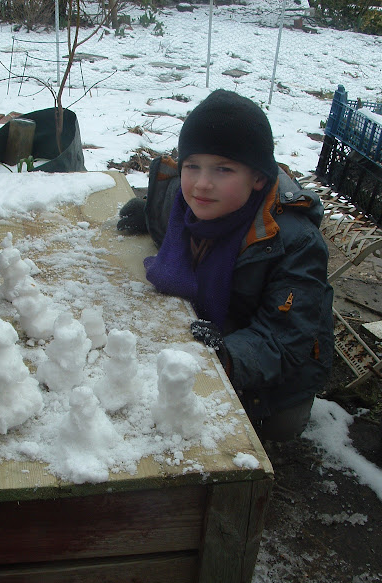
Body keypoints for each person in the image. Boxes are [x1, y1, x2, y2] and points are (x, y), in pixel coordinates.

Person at [120, 89, 334, 442]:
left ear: (259, 179)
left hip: (272, 384)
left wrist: (227, 355)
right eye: (193, 165)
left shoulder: (293, 243)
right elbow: (165, 199)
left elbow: (285, 338)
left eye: (223, 169)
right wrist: (143, 210)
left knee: (261, 429)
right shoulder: (185, 202)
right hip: (214, 334)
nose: (202, 183)